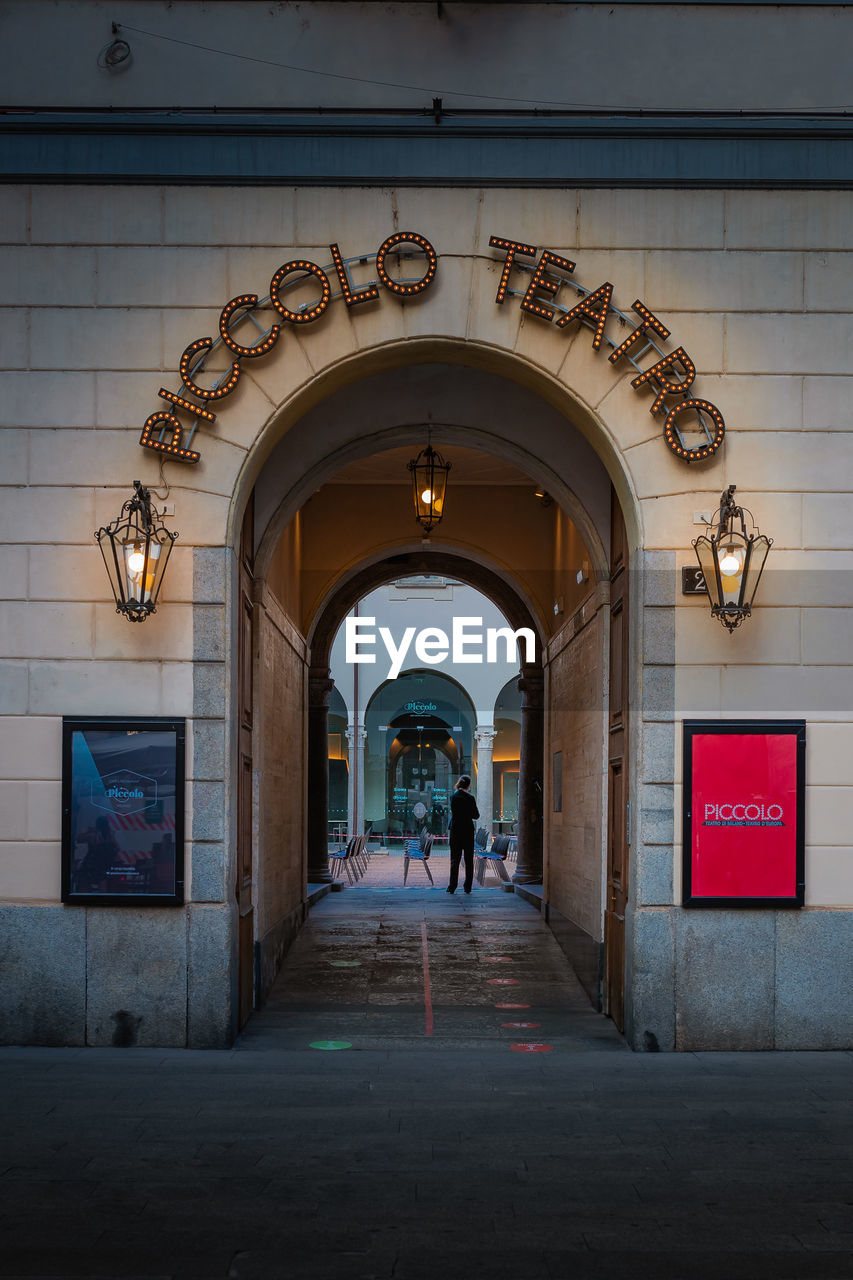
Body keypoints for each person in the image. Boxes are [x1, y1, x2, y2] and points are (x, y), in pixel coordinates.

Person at [446, 775, 479, 894]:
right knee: (469, 860)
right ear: (468, 785)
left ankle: (452, 886)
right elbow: (476, 815)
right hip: (467, 831)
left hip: (455, 830)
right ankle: (467, 887)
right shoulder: (470, 798)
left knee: (454, 859)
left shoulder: (453, 797)